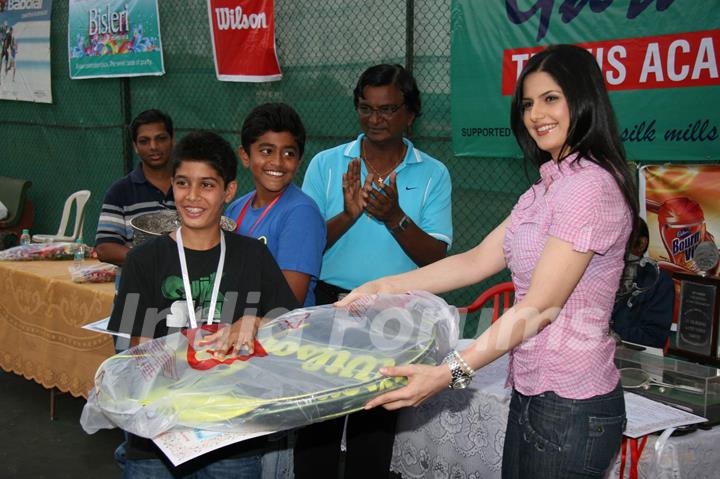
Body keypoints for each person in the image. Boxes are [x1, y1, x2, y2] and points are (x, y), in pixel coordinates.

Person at [340, 45, 639, 479]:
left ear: (584, 99)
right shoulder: (546, 187)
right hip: (533, 393)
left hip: (572, 403)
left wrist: (447, 374)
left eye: (551, 98)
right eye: (527, 103)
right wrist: (381, 286)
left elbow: (540, 306)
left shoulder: (589, 188)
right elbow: (476, 260)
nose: (536, 114)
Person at [107, 131, 299, 478]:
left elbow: (290, 325)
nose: (193, 196)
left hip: (230, 436)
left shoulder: (252, 256)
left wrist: (255, 322)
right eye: (183, 183)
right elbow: (132, 352)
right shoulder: (143, 261)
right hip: (157, 437)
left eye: (207, 185)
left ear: (228, 191)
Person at [295, 64, 453, 479]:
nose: (375, 120)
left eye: (387, 110)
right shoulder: (328, 165)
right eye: (366, 109)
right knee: (318, 423)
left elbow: (435, 259)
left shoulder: (433, 173)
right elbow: (305, 244)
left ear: (410, 114)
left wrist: (395, 217)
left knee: (374, 427)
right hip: (331, 302)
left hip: (395, 311)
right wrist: (349, 215)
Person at [225, 102, 326, 307]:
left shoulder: (301, 213)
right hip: (237, 321)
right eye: (266, 151)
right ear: (245, 156)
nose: (278, 162)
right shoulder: (235, 209)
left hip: (282, 332)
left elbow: (287, 302)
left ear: (299, 160)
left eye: (289, 153)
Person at [95, 109, 176, 267]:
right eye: (144, 141)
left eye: (161, 138)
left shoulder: (190, 187)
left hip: (187, 288)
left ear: (173, 139)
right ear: (135, 147)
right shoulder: (121, 191)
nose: (153, 146)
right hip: (136, 289)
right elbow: (104, 249)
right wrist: (154, 260)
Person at [611, 218, 674, 348]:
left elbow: (654, 337)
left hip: (633, 360)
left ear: (641, 244)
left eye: (620, 241)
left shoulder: (657, 281)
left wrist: (609, 333)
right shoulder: (599, 272)